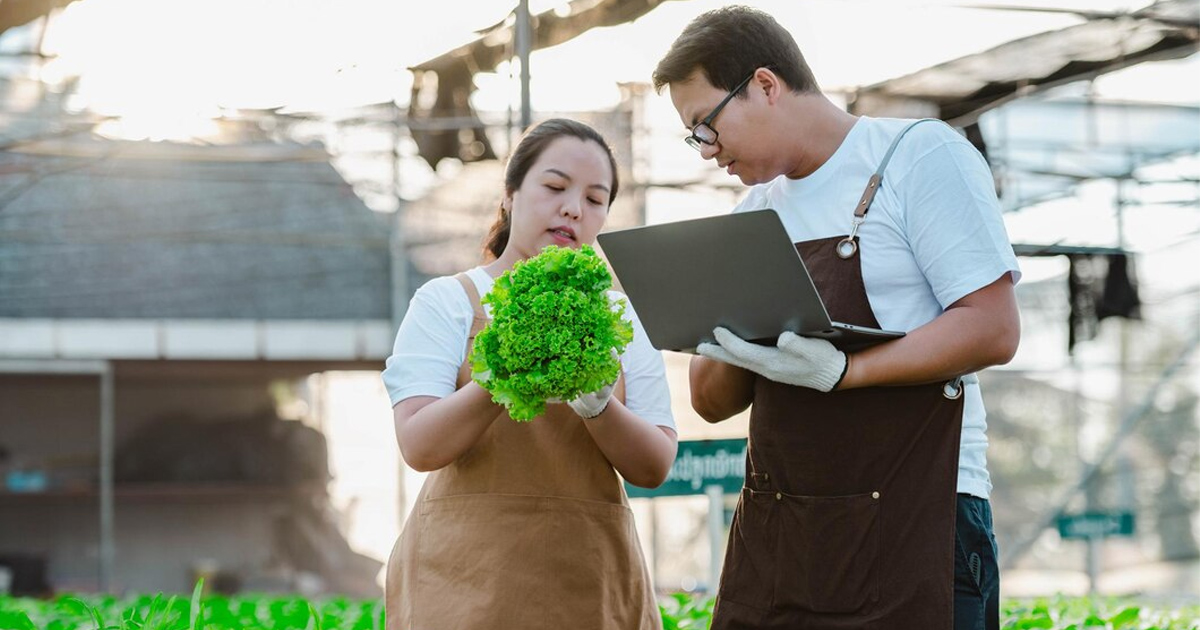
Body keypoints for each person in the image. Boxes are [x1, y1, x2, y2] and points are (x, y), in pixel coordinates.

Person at [652, 6, 1020, 630]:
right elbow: (711, 402)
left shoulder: (915, 157)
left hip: (920, 517)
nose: (706, 152)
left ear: (765, 86)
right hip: (784, 529)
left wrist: (843, 373)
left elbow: (992, 326)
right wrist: (718, 322)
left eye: (705, 127)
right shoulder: (751, 216)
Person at [380, 118, 678, 630]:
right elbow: (419, 445)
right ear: (511, 194)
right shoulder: (448, 301)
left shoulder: (623, 318)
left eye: (594, 198)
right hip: (463, 584)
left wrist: (600, 406)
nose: (572, 208)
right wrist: (501, 374)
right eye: (555, 187)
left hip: (589, 579)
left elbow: (654, 465)